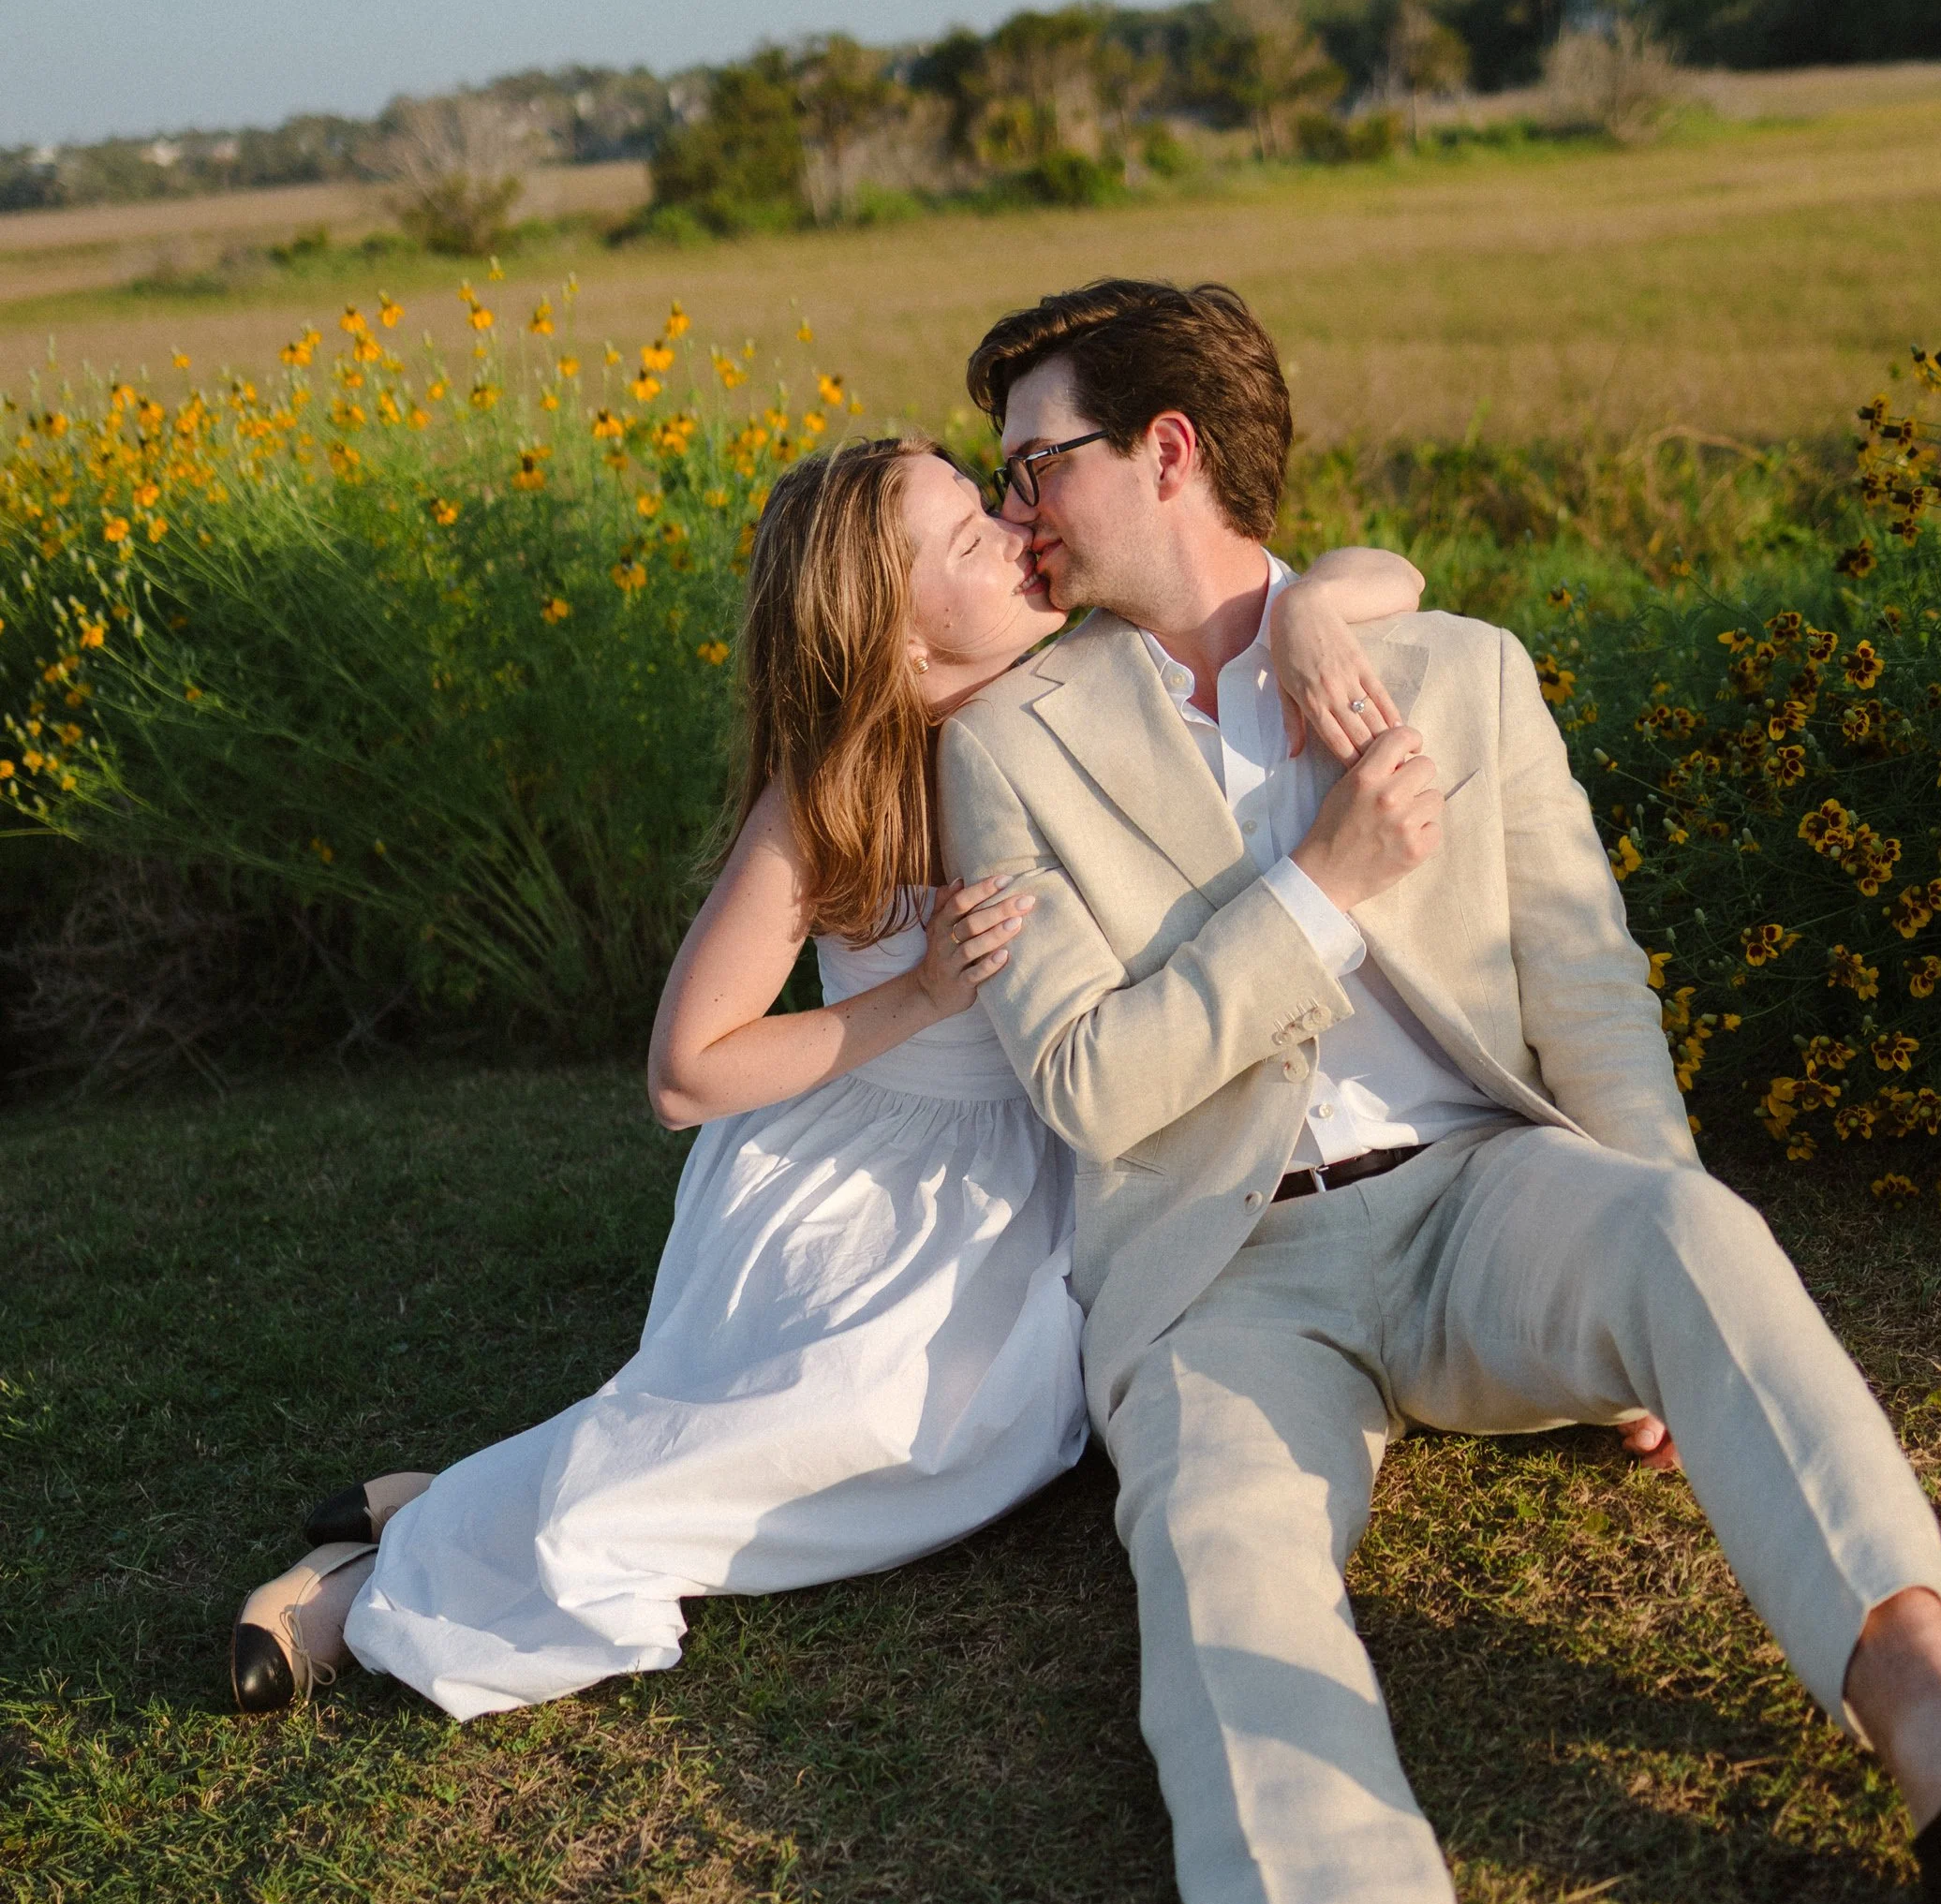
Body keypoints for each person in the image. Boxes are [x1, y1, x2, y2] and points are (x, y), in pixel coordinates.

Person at [936, 276, 1941, 1904]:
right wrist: (1322, 885)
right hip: (1221, 1266)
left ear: (1169, 453)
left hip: (1482, 1197)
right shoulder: (1011, 740)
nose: (1014, 505)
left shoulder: (1457, 671)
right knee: (1212, 1525)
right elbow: (1094, 1086)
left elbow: (1589, 988)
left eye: (1035, 459)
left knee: (1689, 1231)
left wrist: (1648, 1248)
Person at [229, 434, 1427, 1720]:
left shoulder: (1096, 665)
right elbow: (687, 1069)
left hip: (1062, 1165)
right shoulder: (836, 796)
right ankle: (384, 1577)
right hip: (880, 1179)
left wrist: (1303, 606)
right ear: (905, 646)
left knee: (980, 1439)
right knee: (836, 1420)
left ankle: (467, 1495)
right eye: (970, 542)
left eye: (990, 502)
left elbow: (1394, 575)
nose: (1019, 532)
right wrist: (918, 997)